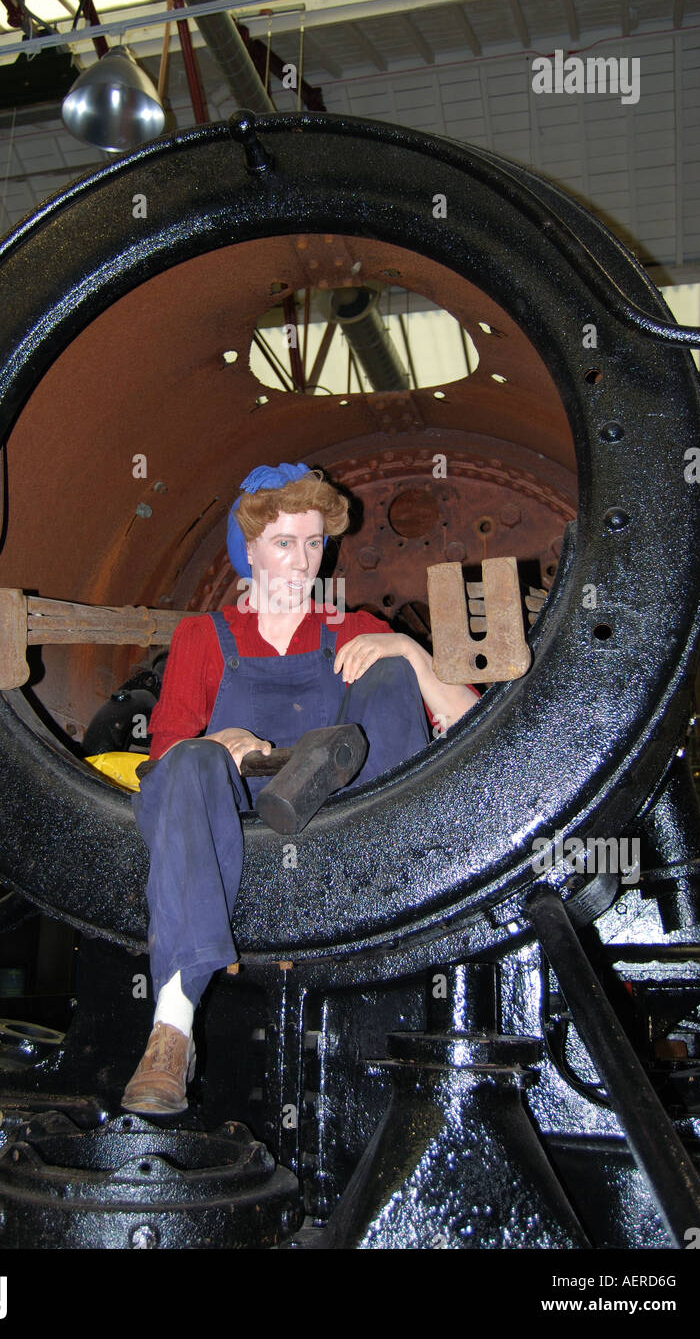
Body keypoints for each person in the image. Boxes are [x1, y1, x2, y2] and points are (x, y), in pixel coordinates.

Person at [122, 462, 478, 1115]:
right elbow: (163, 753)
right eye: (285, 543)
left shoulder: (353, 628)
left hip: (344, 816)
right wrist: (215, 742)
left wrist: (412, 652)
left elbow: (467, 726)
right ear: (248, 548)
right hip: (240, 815)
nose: (303, 560)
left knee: (389, 675)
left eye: (314, 543)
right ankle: (171, 1028)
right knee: (190, 763)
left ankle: (396, 883)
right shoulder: (203, 636)